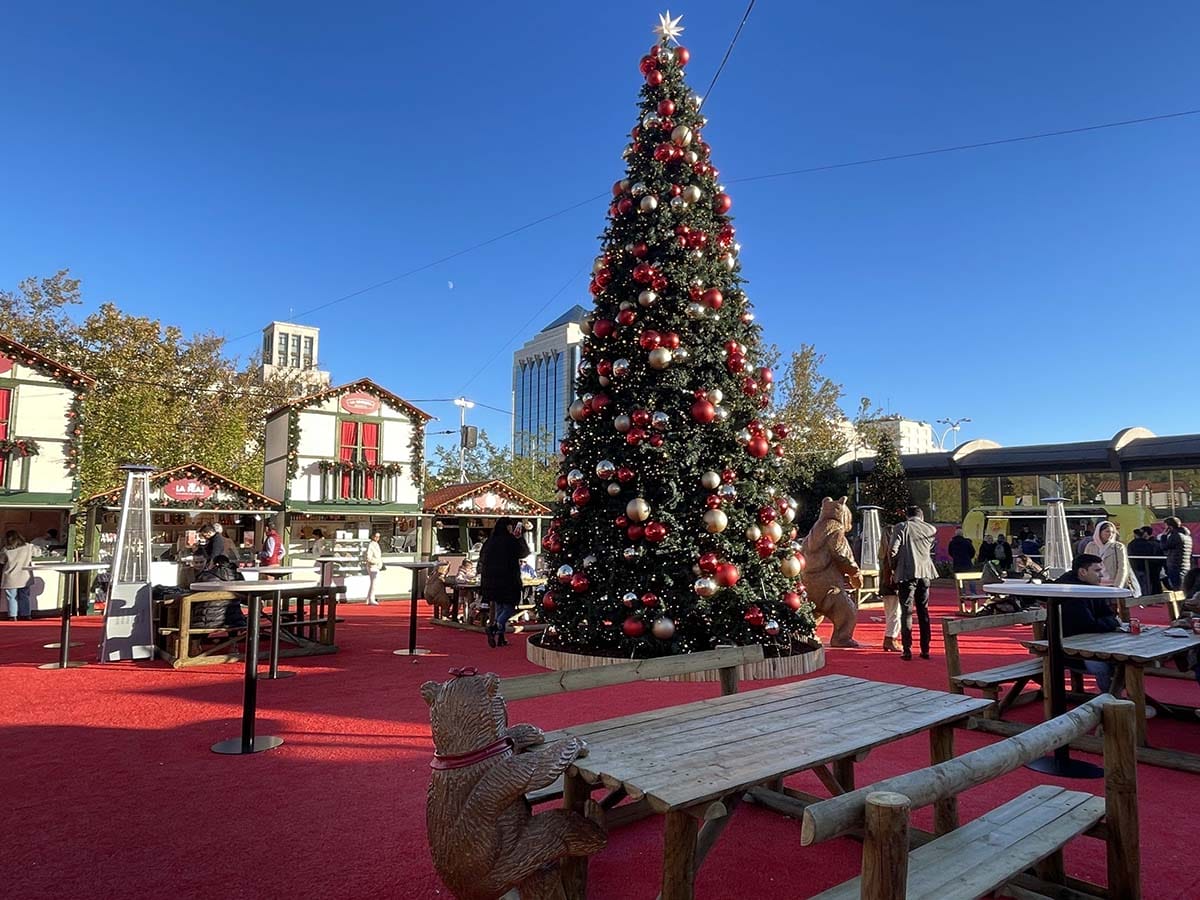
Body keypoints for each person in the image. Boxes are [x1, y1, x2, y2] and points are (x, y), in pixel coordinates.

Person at [1054, 553, 1120, 694]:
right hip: (1067, 651)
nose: (1102, 575)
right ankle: (1110, 701)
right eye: (1097, 571)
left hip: (1091, 643)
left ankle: (1117, 700)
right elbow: (1089, 625)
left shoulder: (1092, 588)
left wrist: (1110, 621)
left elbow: (1108, 615)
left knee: (1124, 659)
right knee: (1109, 664)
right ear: (1082, 572)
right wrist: (1112, 622)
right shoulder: (1070, 592)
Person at [889, 505, 939, 661]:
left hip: (906, 573)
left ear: (907, 516)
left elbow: (892, 551)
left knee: (906, 612)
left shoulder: (902, 527)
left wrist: (893, 569)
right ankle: (925, 649)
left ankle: (907, 649)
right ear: (921, 516)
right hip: (925, 573)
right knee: (923, 611)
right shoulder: (930, 529)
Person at [479, 517, 530, 648]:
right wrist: (519, 538)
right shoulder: (510, 541)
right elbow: (524, 553)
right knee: (509, 608)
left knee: (499, 607)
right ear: (508, 527)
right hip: (508, 580)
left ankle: (501, 637)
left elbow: (482, 559)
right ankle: (495, 627)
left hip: (491, 582)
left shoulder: (489, 542)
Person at [1085, 521, 1135, 592]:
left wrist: (1118, 586)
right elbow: (1085, 565)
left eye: (1113, 532)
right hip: (1095, 584)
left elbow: (1122, 568)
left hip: (1112, 584)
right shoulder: (1090, 546)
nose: (1110, 534)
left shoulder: (1118, 547)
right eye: (1107, 531)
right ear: (1099, 532)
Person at [1, 530, 34, 620]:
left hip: (10, 577)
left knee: (11, 597)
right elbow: (38, 553)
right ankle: (26, 615)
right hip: (24, 576)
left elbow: (1, 561)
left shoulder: (6, 550)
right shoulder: (28, 547)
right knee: (24, 596)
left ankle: (13, 616)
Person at [878, 524, 901, 652]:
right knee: (896, 613)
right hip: (891, 585)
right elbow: (890, 571)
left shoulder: (882, 552)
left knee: (890, 613)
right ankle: (890, 639)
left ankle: (891, 638)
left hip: (885, 586)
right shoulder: (890, 555)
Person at [1127, 527, 1163, 596]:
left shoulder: (1132, 544)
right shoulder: (1154, 543)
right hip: (1151, 567)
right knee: (1152, 583)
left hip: (1136, 566)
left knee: (1140, 583)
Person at [1163, 517, 1193, 591]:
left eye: (1166, 526)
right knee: (1184, 588)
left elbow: (1164, 546)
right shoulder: (1187, 536)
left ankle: (1180, 603)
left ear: (1169, 527)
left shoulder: (1176, 536)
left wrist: (1164, 536)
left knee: (1177, 589)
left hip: (1175, 566)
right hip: (1184, 565)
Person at [364, 532, 383, 605]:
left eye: (378, 537)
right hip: (372, 566)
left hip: (376, 566)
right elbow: (368, 557)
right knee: (373, 583)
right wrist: (375, 562)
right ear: (372, 536)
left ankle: (369, 598)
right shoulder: (371, 545)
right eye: (376, 536)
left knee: (373, 583)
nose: (377, 538)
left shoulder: (376, 544)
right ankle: (371, 599)